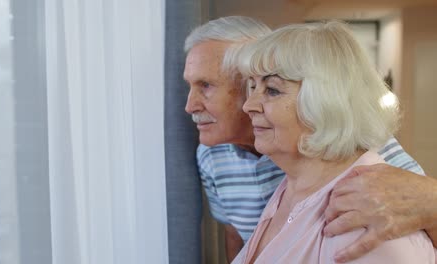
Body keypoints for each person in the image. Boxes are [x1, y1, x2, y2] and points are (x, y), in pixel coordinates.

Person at [183, 16, 437, 263]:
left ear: (321, 101)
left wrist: (431, 199)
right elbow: (237, 237)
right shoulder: (275, 174)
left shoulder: (361, 161)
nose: (189, 105)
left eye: (206, 85)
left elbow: (414, 214)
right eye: (253, 86)